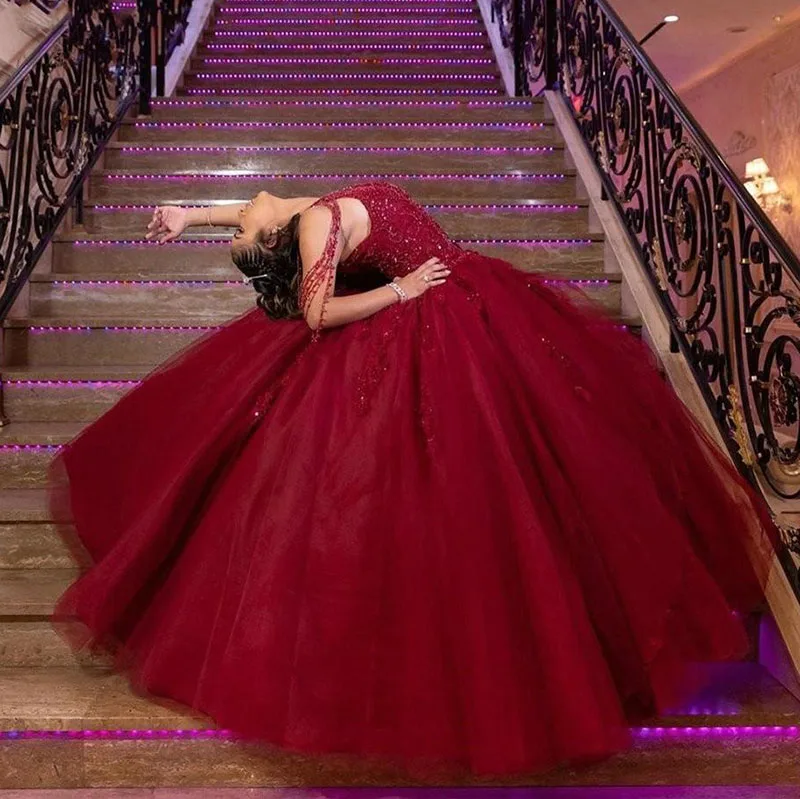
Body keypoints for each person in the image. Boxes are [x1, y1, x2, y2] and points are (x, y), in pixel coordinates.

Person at [50, 180, 778, 777]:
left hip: (462, 300)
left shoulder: (294, 212)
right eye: (240, 229)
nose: (240, 216)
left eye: (236, 226)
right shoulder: (312, 226)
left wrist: (189, 212)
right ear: (276, 241)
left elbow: (250, 211)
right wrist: (401, 291)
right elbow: (316, 313)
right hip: (433, 301)